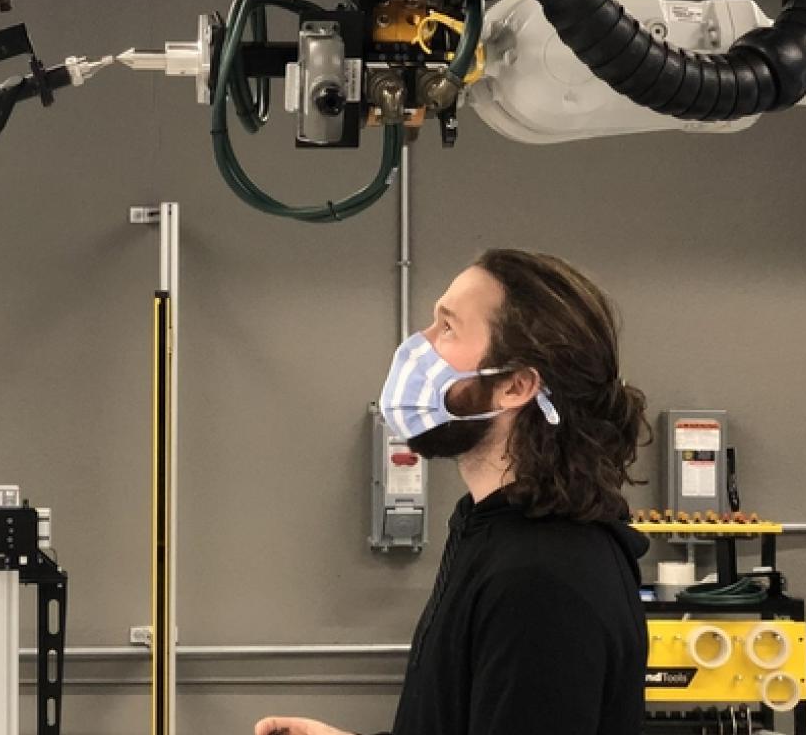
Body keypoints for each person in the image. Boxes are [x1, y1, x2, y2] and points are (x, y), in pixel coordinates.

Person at [257, 249, 651, 735]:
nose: (417, 346)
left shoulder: (543, 579)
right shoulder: (492, 530)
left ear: (515, 385)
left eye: (447, 328)